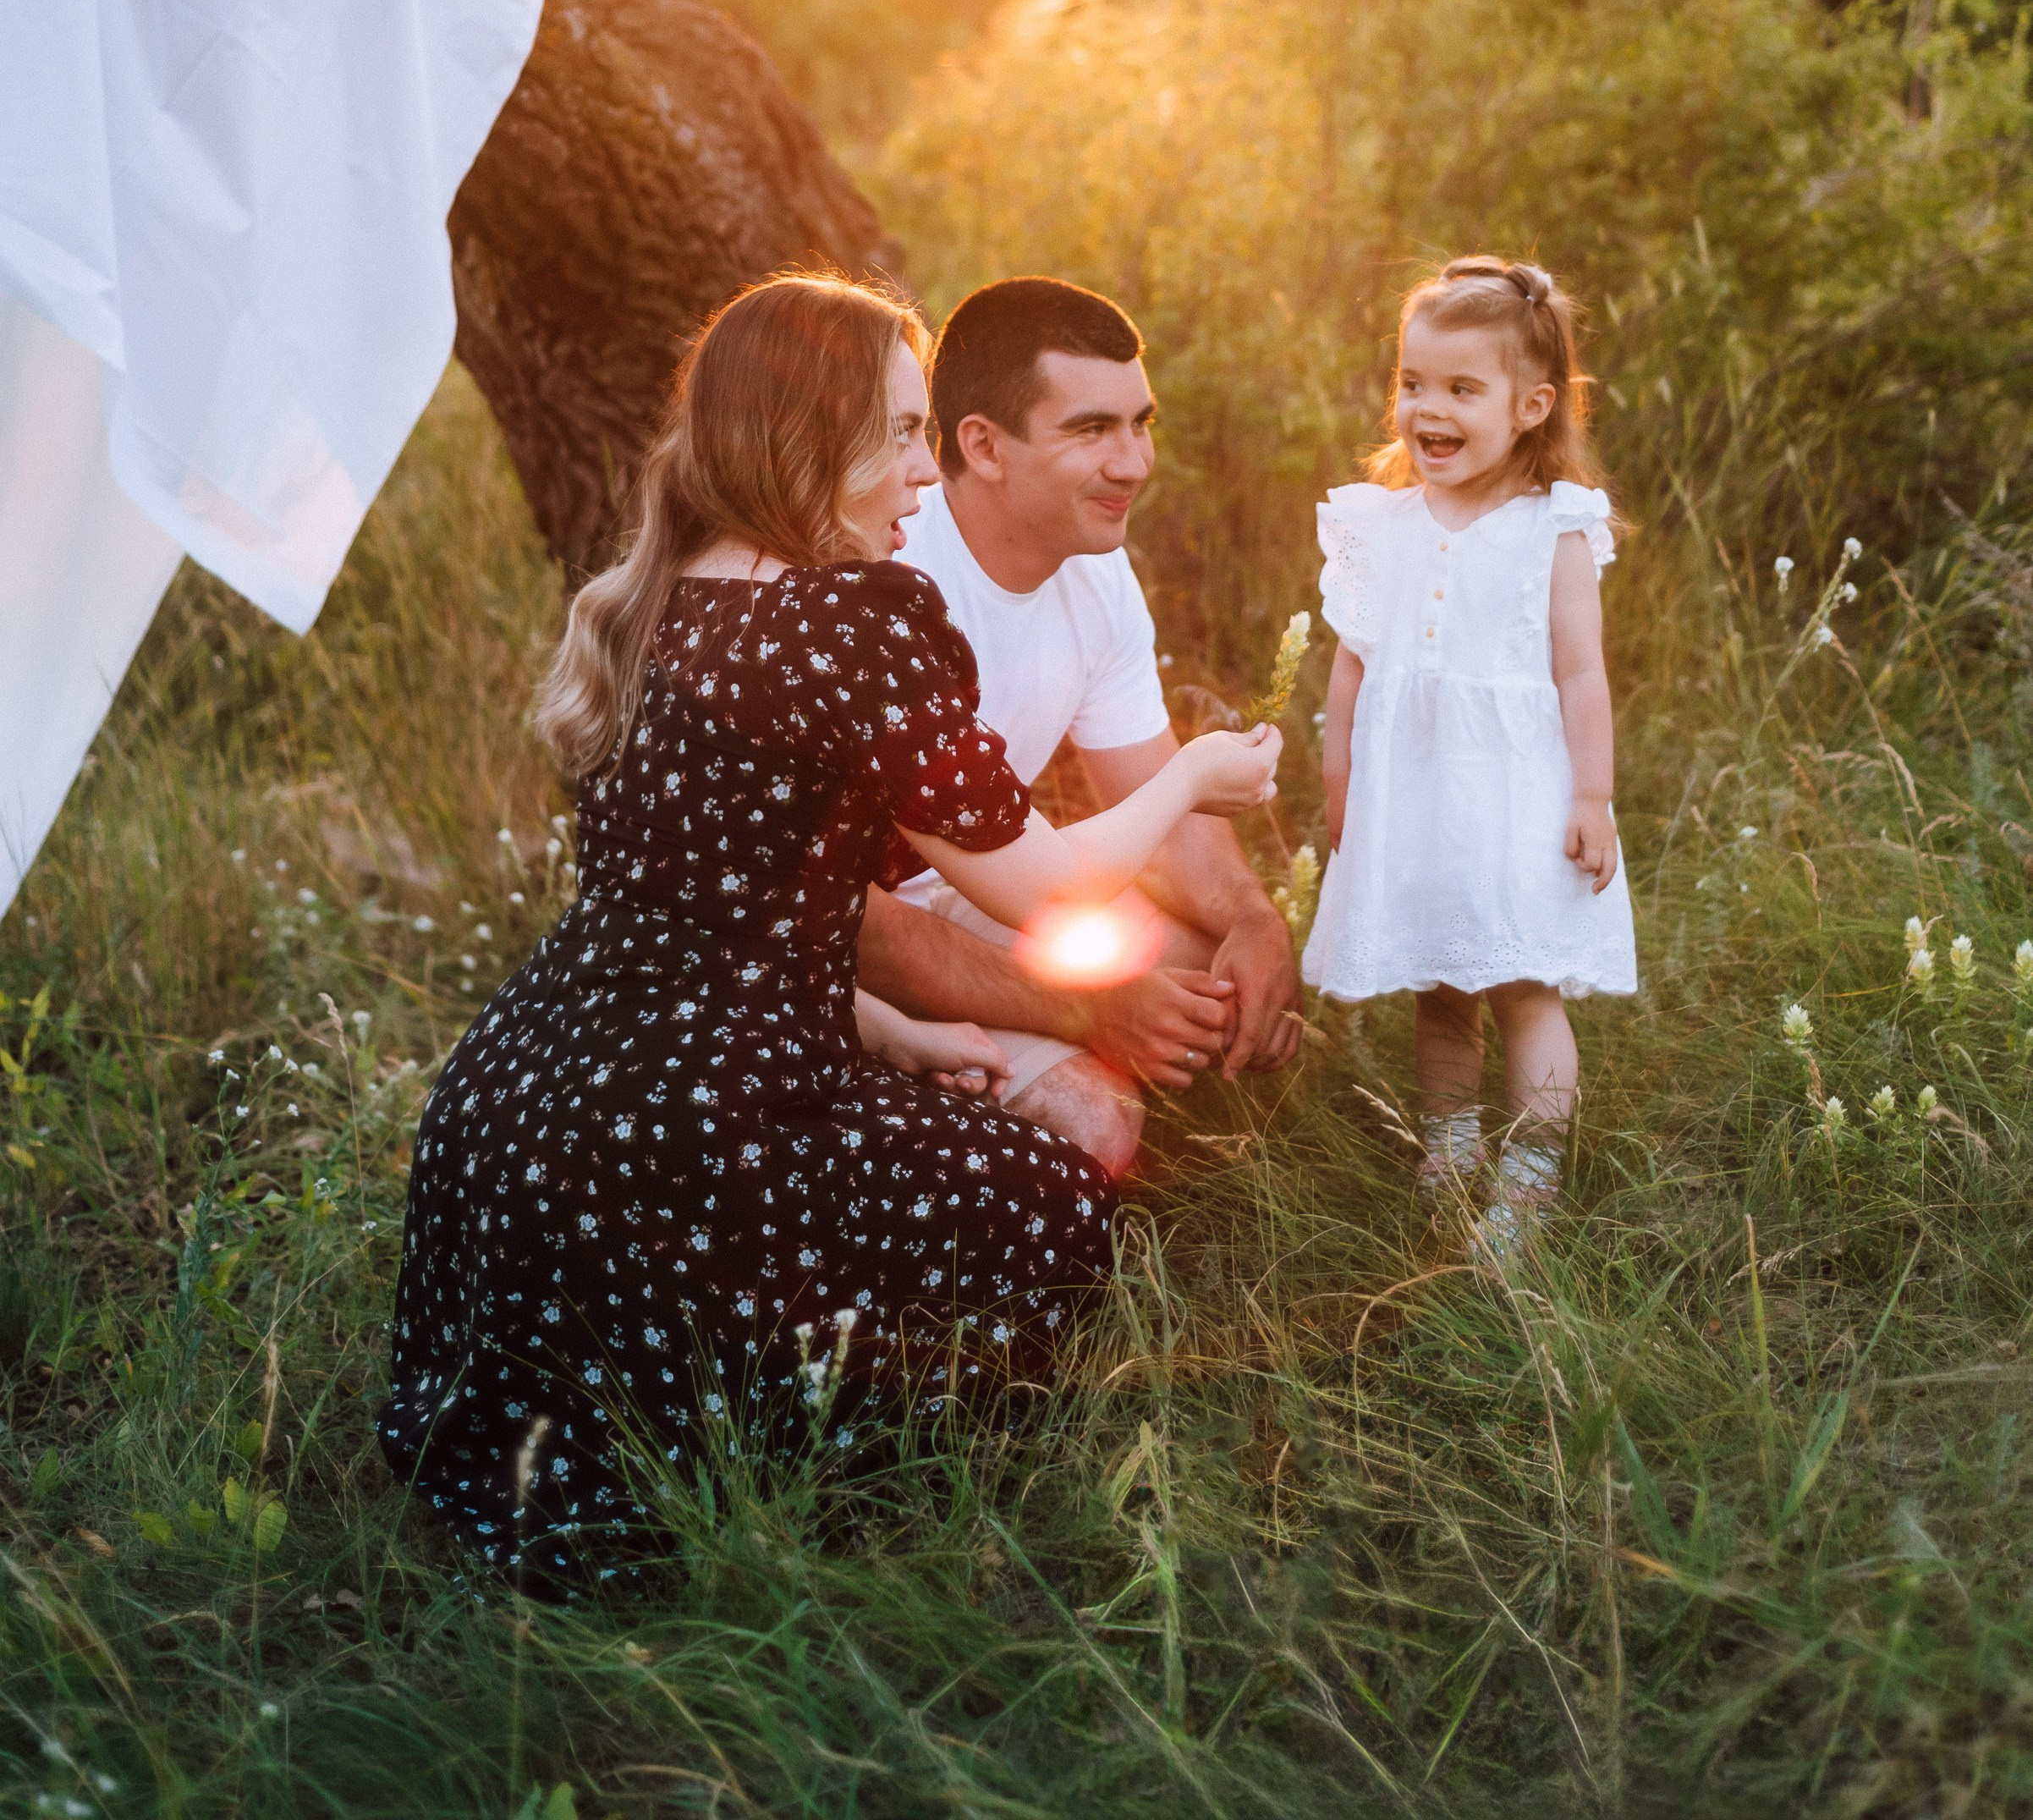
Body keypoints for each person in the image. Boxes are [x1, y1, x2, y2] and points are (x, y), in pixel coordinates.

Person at [378, 273, 1281, 1579]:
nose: (922, 470)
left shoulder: (655, 593)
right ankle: (814, 1475)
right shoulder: (849, 624)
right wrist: (1191, 777)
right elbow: (1046, 894)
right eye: (902, 434)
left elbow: (702, 910)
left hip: (513, 1115)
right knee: (1047, 1215)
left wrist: (891, 1036)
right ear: (816, 440)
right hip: (691, 1133)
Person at [857, 277, 1305, 1175]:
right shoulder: (884, 573)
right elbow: (857, 923)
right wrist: (1087, 1007)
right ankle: (902, 1085)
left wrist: (1254, 921)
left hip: (1001, 888)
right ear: (983, 445)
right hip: (844, 946)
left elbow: (1156, 803)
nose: (1133, 463)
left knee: (1211, 980)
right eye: (1092, 430)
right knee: (1098, 1124)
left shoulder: (1095, 572)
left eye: (1141, 423)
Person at [1303, 257, 1636, 1251]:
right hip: (1412, 798)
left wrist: (1593, 797)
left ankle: (1530, 1170)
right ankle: (1449, 1145)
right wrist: (1341, 789)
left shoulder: (1553, 528)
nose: (1428, 409)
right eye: (1413, 383)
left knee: (1522, 984)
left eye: (1460, 388)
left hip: (1514, 799)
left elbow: (1581, 673)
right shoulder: (1380, 525)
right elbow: (1353, 670)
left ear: (1531, 407)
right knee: (1439, 985)